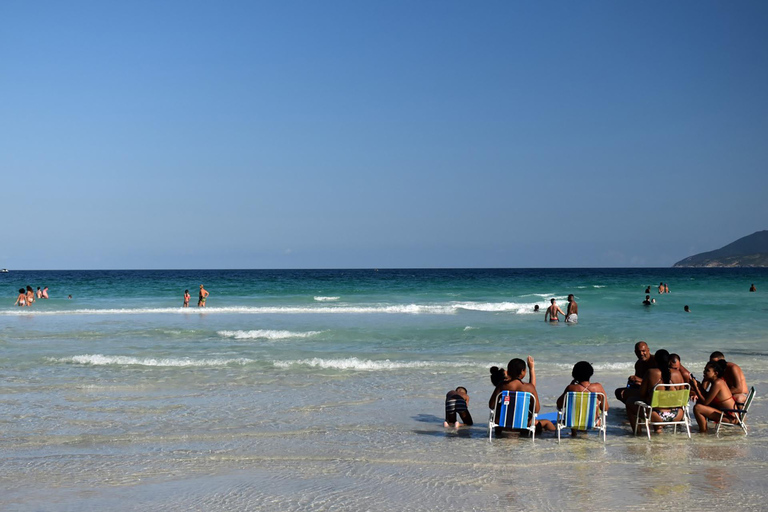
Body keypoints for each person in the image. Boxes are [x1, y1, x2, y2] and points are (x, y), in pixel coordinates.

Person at [489, 356, 555, 435]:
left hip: (503, 425)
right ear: (522, 371)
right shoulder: (529, 388)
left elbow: (491, 405)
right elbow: (536, 410)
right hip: (524, 426)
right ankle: (558, 441)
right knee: (547, 423)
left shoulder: (502, 386)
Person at [626, 349, 685, 431]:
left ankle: (637, 433)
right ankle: (658, 431)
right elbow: (682, 395)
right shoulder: (678, 374)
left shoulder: (651, 372)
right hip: (677, 415)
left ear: (655, 361)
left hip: (656, 415)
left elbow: (642, 394)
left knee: (629, 402)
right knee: (657, 404)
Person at [556, 361, 609, 435]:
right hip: (593, 422)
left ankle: (574, 433)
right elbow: (605, 408)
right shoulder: (598, 387)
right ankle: (584, 432)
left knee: (574, 407)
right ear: (591, 373)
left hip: (572, 421)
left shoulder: (571, 388)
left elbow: (559, 405)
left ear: (574, 374)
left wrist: (571, 385)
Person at [690, 360, 739, 433]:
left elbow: (706, 402)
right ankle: (703, 430)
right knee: (699, 403)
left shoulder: (718, 383)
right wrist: (699, 386)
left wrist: (696, 388)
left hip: (731, 417)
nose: (704, 372)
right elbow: (707, 397)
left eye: (707, 370)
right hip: (725, 413)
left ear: (715, 373)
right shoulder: (716, 382)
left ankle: (703, 431)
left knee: (697, 408)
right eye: (704, 370)